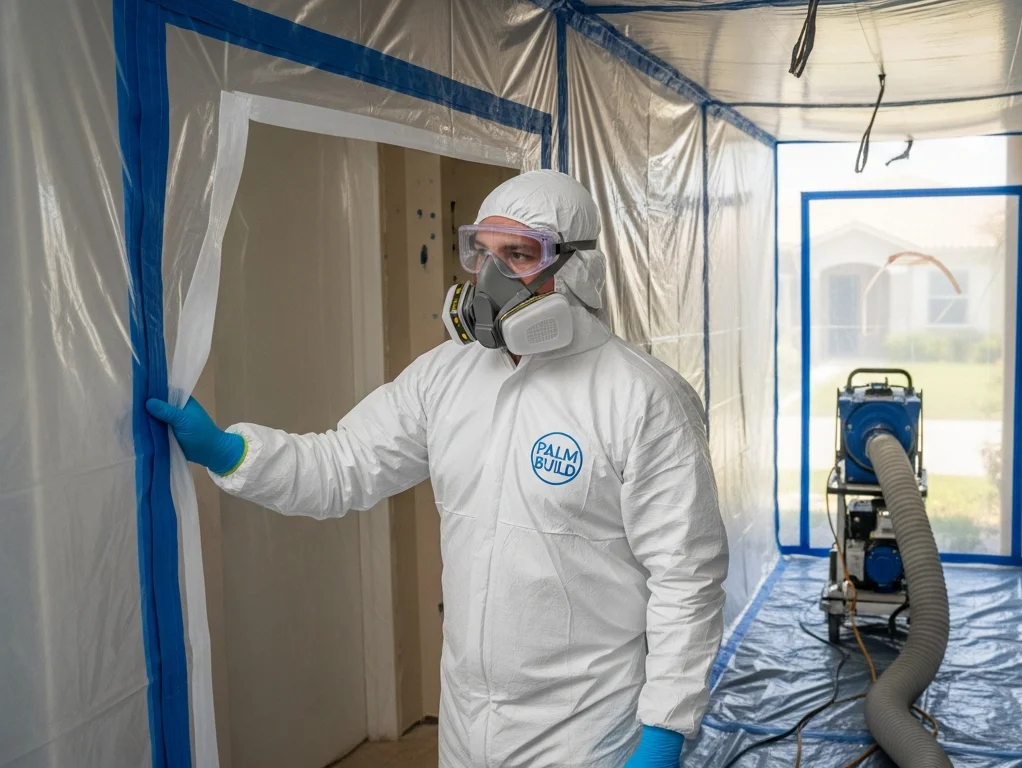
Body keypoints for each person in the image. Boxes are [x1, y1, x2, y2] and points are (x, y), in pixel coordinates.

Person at [147, 170, 729, 768]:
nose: (492, 277)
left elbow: (687, 577)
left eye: (520, 255)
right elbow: (344, 464)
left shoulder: (643, 398)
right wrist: (227, 451)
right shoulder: (445, 376)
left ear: (574, 269)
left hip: (587, 731)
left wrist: (663, 732)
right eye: (483, 252)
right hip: (464, 724)